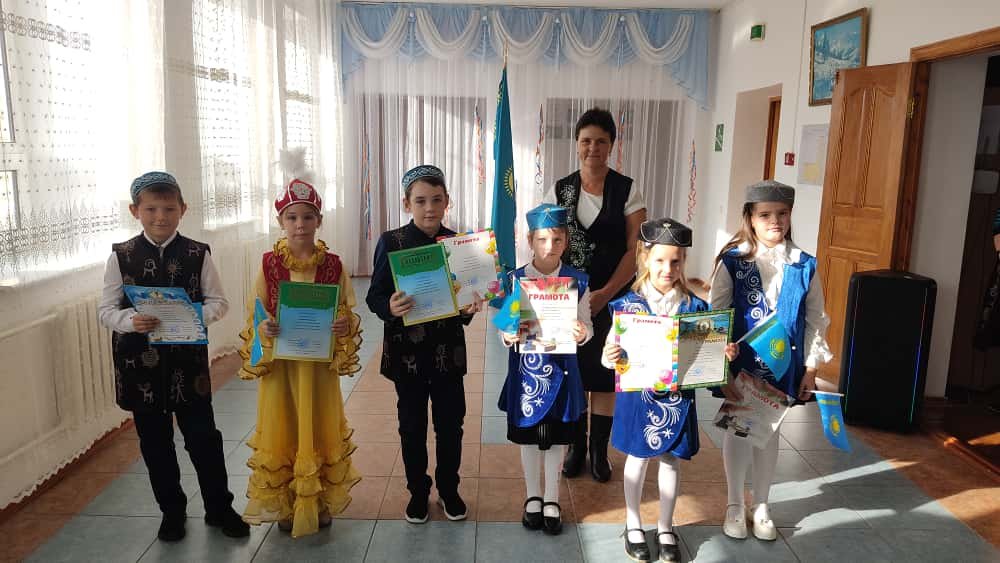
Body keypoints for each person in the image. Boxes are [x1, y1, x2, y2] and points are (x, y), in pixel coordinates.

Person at [98, 171, 249, 542]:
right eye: (151, 209)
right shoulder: (121, 256)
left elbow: (219, 302)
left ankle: (219, 508)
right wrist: (130, 321)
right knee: (155, 444)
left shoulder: (198, 253)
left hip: (188, 366)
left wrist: (191, 314)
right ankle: (172, 512)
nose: (160, 217)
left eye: (169, 209)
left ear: (183, 209)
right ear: (135, 210)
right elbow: (106, 310)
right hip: (140, 368)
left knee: (204, 440)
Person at [602, 218, 737, 562]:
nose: (667, 269)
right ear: (645, 258)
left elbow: (707, 359)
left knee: (671, 460)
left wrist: (721, 354)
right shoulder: (627, 305)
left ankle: (665, 526)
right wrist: (609, 355)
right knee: (637, 458)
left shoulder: (695, 308)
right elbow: (609, 353)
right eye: (660, 260)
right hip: (639, 397)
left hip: (677, 400)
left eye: (675, 261)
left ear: (683, 262)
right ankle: (633, 522)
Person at [238, 171, 363, 538]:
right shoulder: (269, 264)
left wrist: (342, 324)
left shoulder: (333, 265)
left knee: (318, 424)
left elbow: (345, 309)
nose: (300, 224)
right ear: (281, 221)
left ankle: (317, 500)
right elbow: (257, 310)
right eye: (292, 217)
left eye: (308, 217)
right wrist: (264, 327)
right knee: (284, 424)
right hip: (283, 366)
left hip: (318, 367)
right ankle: (286, 502)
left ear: (319, 220)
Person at [710, 180, 833, 541]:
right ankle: (735, 503)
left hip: (783, 366)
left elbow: (816, 319)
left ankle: (761, 504)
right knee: (739, 429)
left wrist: (811, 367)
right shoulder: (732, 262)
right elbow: (716, 314)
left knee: (770, 431)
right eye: (765, 215)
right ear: (750, 217)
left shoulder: (804, 265)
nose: (774, 221)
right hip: (742, 365)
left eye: (782, 213)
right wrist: (719, 363)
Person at [366, 165, 482, 524]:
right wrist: (389, 307)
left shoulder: (459, 245)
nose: (429, 208)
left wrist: (468, 308)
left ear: (447, 201)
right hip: (408, 354)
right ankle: (418, 491)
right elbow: (374, 295)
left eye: (436, 199)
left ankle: (449, 490)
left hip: (448, 352)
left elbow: (468, 299)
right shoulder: (391, 241)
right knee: (412, 426)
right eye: (420, 201)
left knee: (451, 425)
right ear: (407, 204)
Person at [542, 107, 647, 482]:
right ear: (576, 143)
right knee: (573, 372)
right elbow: (547, 244)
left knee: (605, 373)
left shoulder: (627, 189)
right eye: (586, 140)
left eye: (601, 141)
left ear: (612, 145)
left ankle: (599, 451)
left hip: (613, 295)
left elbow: (636, 250)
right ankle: (575, 447)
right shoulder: (560, 189)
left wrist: (605, 293)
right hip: (567, 299)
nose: (593, 148)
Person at [497, 203, 592, 536]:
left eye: (556, 239)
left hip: (563, 372)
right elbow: (505, 325)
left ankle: (552, 497)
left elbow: (588, 324)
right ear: (530, 241)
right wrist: (508, 335)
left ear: (565, 241)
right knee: (528, 436)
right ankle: (533, 496)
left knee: (557, 439)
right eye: (541, 240)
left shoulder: (578, 281)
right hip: (528, 375)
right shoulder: (516, 279)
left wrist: (583, 332)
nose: (549, 247)